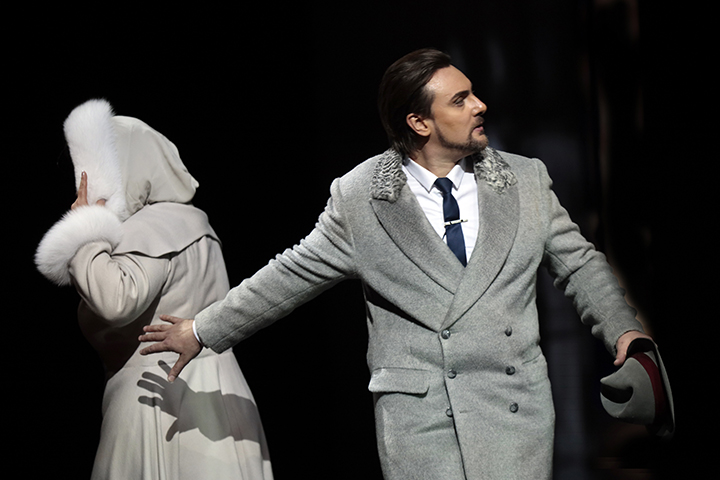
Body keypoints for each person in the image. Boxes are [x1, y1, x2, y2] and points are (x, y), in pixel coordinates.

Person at [139, 49, 654, 479]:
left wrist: (625, 332)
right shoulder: (362, 197)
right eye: (461, 99)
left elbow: (581, 264)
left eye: (473, 92)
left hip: (512, 409)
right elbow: (291, 273)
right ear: (419, 121)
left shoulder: (524, 181)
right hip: (420, 419)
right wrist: (203, 329)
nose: (481, 105)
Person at [35, 99, 273, 479]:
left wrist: (85, 230)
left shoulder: (155, 224)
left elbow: (115, 302)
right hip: (213, 394)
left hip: (161, 396)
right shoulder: (193, 223)